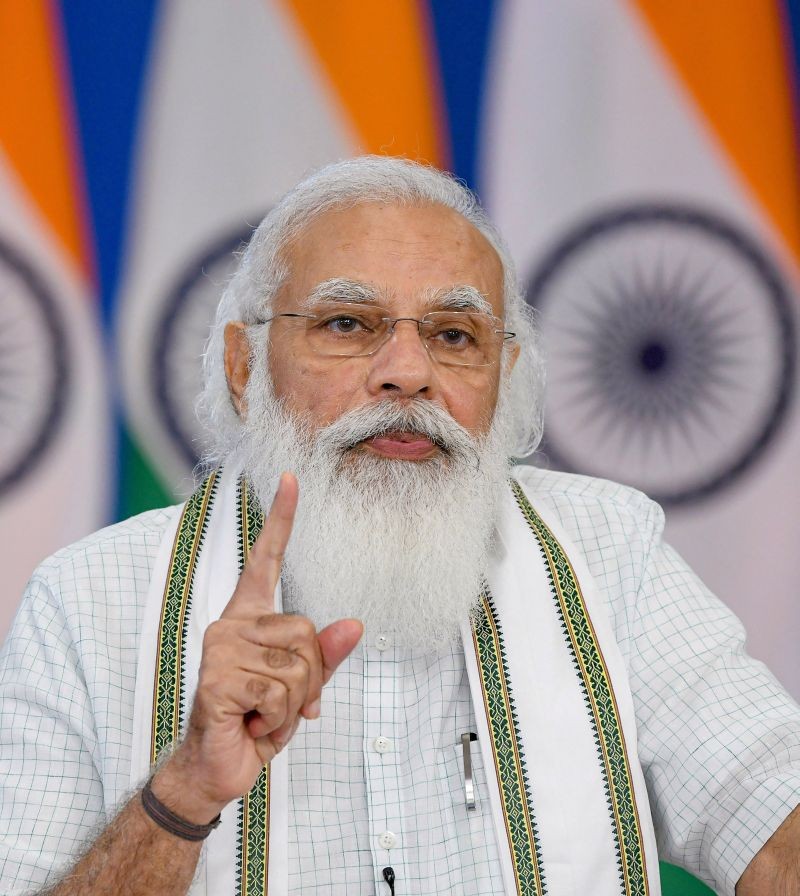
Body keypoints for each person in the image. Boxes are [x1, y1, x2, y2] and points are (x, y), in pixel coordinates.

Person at [0, 156, 798, 896]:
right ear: (246, 369)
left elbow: (770, 824)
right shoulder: (90, 600)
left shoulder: (606, 550)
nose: (409, 373)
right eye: (347, 324)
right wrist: (184, 792)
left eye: (455, 336)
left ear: (504, 378)